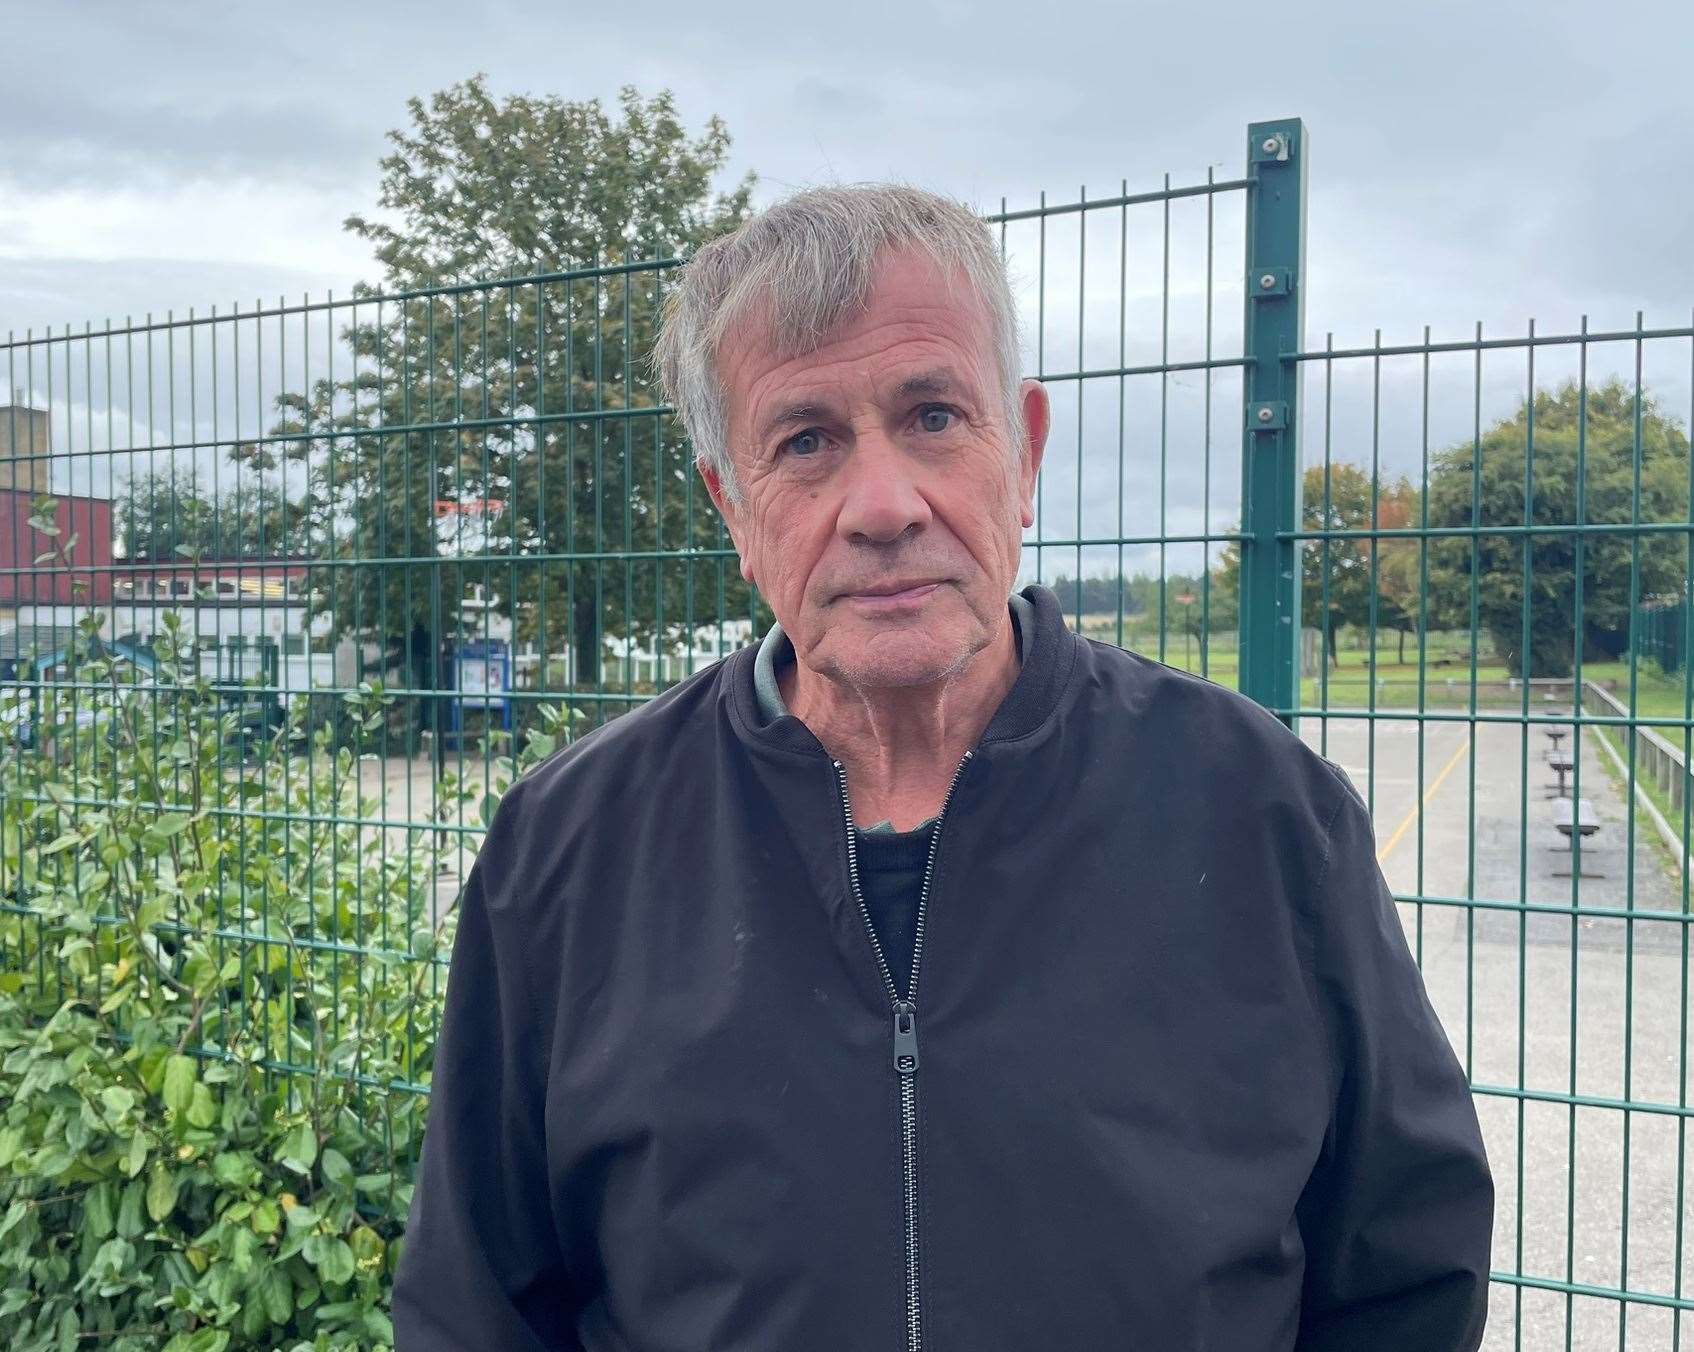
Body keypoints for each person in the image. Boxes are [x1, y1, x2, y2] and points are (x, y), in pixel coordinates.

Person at [392, 183, 1493, 1351]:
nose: (881, 504)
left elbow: (1400, 1270)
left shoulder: (1259, 809)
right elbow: (476, 1307)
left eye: (930, 416)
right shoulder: (567, 849)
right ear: (730, 503)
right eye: (804, 440)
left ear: (1019, 450)